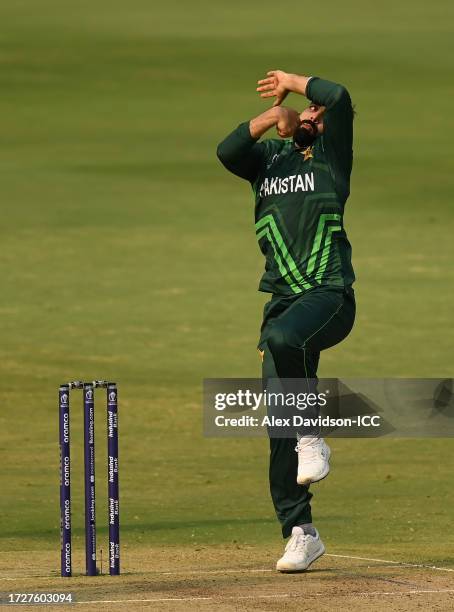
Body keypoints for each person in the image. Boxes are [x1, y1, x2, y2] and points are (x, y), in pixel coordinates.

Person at [216, 70, 356, 572]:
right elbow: (227, 151)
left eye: (316, 113)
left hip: (329, 297)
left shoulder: (332, 160)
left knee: (283, 339)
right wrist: (273, 115)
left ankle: (311, 432)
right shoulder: (267, 164)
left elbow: (337, 96)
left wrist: (297, 84)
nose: (312, 112)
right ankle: (301, 532)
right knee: (279, 426)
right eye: (306, 111)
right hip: (280, 301)